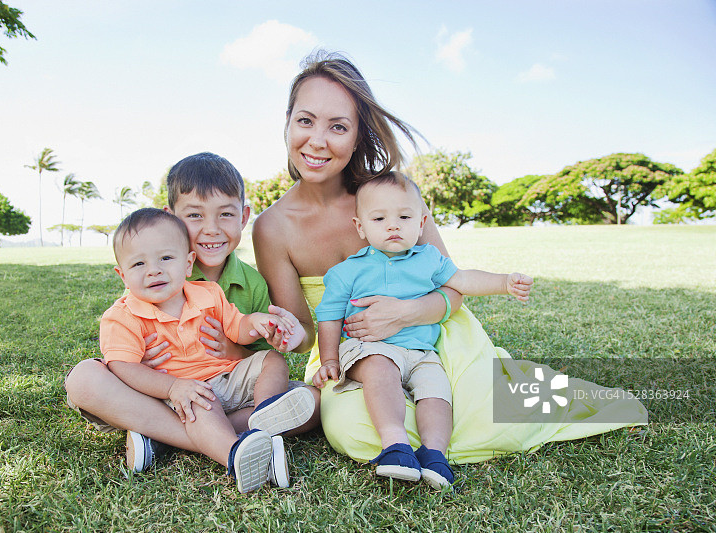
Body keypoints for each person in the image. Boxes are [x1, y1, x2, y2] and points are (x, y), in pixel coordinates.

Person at [253, 50, 646, 473]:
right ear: (288, 121)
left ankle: (448, 439)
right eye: (305, 120)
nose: (317, 140)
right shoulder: (271, 228)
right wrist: (290, 333)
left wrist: (406, 313)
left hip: (434, 335)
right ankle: (402, 443)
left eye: (338, 126)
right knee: (353, 431)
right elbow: (308, 332)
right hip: (351, 355)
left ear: (357, 135)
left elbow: (452, 288)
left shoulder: (394, 201)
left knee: (489, 412)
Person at [64, 153, 319, 485]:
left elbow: (249, 342)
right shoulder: (137, 301)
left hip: (226, 384)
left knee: (312, 402)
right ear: (171, 218)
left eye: (225, 214)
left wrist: (253, 328)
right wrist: (160, 378)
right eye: (195, 215)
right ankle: (235, 445)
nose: (210, 229)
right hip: (164, 394)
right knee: (84, 378)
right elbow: (122, 364)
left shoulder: (214, 291)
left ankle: (175, 437)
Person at [312, 171, 533, 488]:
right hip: (368, 348)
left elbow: (464, 280)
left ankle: (434, 455)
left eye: (404, 216)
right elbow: (329, 316)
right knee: (380, 368)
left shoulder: (429, 259)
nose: (393, 225)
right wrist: (329, 360)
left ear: (421, 223)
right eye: (379, 218)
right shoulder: (348, 271)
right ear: (360, 226)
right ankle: (396, 445)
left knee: (436, 389)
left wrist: (503, 283)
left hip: (421, 352)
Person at [100, 207, 309, 493]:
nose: (154, 270)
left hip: (228, 376)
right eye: (138, 264)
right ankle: (236, 454)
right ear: (122, 275)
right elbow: (123, 367)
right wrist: (174, 387)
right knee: (198, 406)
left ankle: (264, 416)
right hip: (183, 392)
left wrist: (257, 322)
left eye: (166, 258)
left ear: (188, 264)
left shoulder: (208, 292)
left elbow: (237, 327)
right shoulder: (122, 317)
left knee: (274, 362)